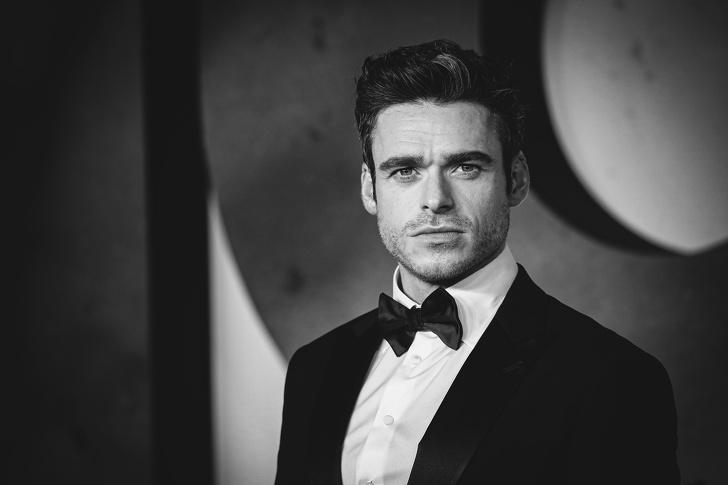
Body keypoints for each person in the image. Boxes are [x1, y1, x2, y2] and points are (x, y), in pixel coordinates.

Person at [274, 39, 680, 485]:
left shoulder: (610, 376)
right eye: (405, 170)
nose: (435, 200)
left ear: (516, 180)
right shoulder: (314, 367)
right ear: (371, 189)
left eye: (466, 167)